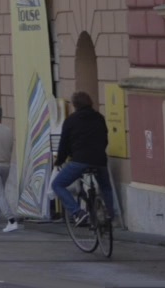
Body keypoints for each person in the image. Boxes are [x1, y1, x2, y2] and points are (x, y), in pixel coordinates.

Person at [51, 90, 116, 227]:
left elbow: (64, 145)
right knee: (105, 187)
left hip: (79, 161)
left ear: (75, 105)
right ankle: (110, 215)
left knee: (57, 184)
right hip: (99, 160)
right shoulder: (99, 117)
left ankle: (77, 212)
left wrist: (59, 161)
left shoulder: (71, 120)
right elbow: (104, 139)